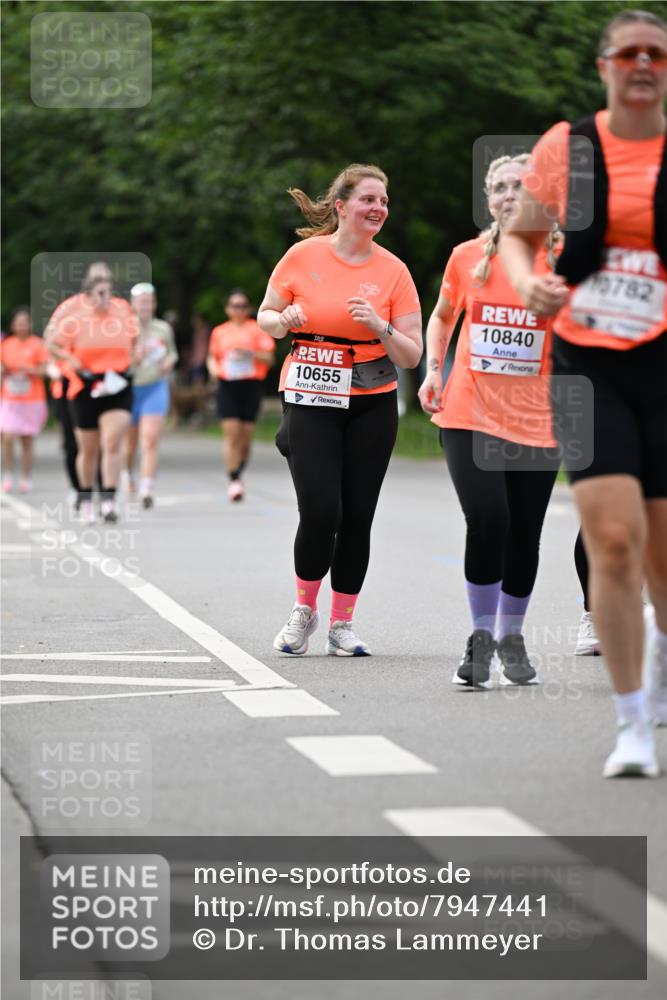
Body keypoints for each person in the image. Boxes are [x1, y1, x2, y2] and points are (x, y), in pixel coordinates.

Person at [500, 9, 667, 776]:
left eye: (655, 54)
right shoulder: (567, 147)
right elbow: (518, 235)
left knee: (662, 554)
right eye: (627, 52)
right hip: (582, 363)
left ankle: (656, 646)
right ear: (604, 65)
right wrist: (528, 281)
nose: (641, 64)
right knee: (610, 538)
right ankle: (631, 723)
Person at [258, 163, 422, 655]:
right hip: (311, 394)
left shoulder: (393, 271)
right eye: (369, 199)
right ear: (342, 207)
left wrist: (379, 325)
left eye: (384, 201)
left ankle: (342, 624)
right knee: (320, 509)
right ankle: (304, 609)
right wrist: (280, 319)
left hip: (371, 401)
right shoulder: (302, 255)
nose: (379, 209)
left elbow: (412, 353)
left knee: (357, 515)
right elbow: (267, 316)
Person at [419, 155, 561, 687]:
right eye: (499, 187)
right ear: (489, 198)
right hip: (469, 410)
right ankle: (480, 637)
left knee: (526, 531)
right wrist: (435, 368)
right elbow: (441, 316)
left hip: (539, 418)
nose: (507, 194)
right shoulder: (465, 257)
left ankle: (511, 635)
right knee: (488, 518)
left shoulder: (563, 259)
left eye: (519, 186)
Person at [46, 272, 140, 524]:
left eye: (109, 292)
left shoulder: (122, 312)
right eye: (100, 293)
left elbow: (136, 340)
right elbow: (53, 345)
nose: (105, 298)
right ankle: (86, 497)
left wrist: (136, 356)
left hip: (117, 384)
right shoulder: (76, 319)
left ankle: (108, 499)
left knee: (111, 442)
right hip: (85, 385)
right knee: (87, 448)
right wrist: (70, 358)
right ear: (88, 296)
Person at [46, 261, 110, 505]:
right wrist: (56, 364)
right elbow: (51, 339)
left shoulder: (116, 310)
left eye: (105, 279)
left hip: (105, 383)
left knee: (106, 439)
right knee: (74, 442)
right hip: (70, 382)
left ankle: (106, 490)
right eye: (96, 280)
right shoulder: (70, 307)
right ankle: (79, 487)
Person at [207, 290, 275, 501]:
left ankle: (240, 469)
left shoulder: (257, 330)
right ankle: (234, 479)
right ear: (227, 309)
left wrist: (249, 353)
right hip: (228, 385)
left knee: (246, 436)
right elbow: (212, 357)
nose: (239, 309)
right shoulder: (219, 332)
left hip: (250, 385)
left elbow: (270, 359)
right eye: (235, 305)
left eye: (243, 305)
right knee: (232, 434)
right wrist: (214, 371)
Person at [125, 282, 178, 508]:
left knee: (150, 439)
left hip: (155, 387)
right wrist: (135, 357)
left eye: (149, 301)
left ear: (154, 304)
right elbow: (117, 361)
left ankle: (147, 488)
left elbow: (173, 353)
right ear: (133, 304)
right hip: (129, 389)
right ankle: (128, 475)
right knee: (130, 443)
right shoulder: (124, 328)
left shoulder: (163, 328)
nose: (145, 306)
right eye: (141, 302)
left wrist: (169, 361)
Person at [0, 307, 49, 492]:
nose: (21, 326)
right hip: (10, 398)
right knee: (8, 436)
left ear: (29, 324)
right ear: (13, 325)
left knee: (27, 440)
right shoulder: (5, 345)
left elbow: (45, 371)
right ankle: (8, 474)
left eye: (25, 322)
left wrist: (29, 370)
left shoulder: (37, 344)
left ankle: (25, 476)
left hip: (32, 399)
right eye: (18, 323)